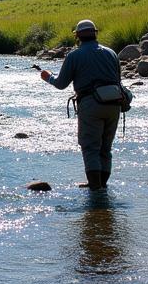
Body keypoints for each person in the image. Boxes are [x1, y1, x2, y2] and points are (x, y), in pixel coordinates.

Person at [39, 19, 123, 190]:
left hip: (90, 104)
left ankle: (95, 188)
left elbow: (61, 84)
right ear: (95, 34)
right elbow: (118, 80)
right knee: (105, 148)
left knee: (90, 147)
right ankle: (102, 186)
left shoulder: (74, 56)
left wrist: (48, 77)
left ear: (77, 36)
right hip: (114, 104)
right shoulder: (111, 53)